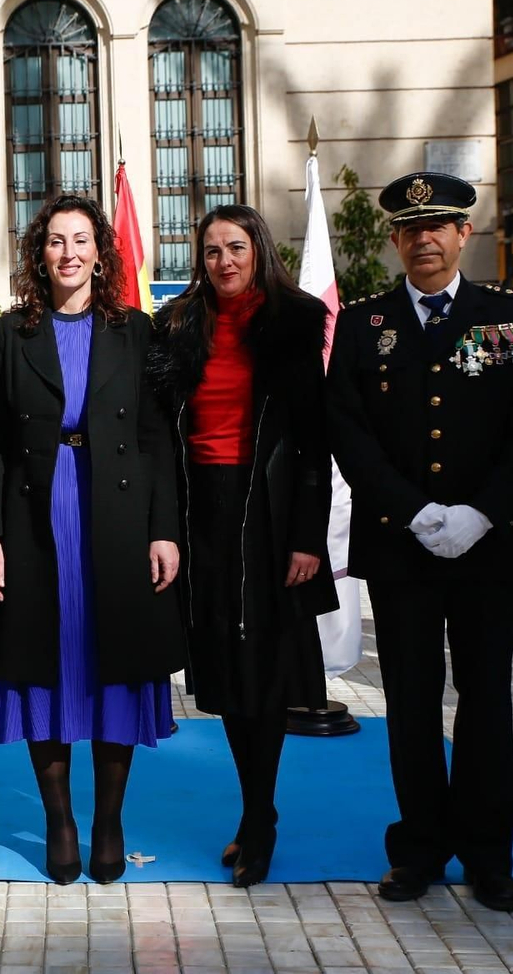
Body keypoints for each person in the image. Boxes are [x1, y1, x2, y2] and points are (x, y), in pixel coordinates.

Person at [328, 172, 513, 912]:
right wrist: (417, 511)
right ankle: (419, 848)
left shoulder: (509, 318)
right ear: (394, 240)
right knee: (413, 702)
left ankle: (490, 855)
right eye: (411, 228)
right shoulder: (364, 325)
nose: (425, 239)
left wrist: (479, 514)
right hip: (401, 544)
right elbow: (349, 432)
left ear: (464, 234)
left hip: (491, 544)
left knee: (486, 699)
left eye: (440, 226)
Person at [0, 194, 185, 886]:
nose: (68, 253)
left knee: (112, 662)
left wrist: (164, 530)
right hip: (37, 513)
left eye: (81, 240)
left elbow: (157, 439)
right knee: (44, 661)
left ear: (100, 251)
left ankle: (110, 818)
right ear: (41, 253)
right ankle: (60, 817)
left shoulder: (136, 330)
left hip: (117, 515)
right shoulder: (11, 333)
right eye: (56, 241)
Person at [146, 204, 334, 888]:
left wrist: (309, 536)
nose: (223, 261)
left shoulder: (294, 321)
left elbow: (315, 440)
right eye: (211, 251)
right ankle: (255, 811)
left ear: (258, 249)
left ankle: (260, 820)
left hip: (273, 513)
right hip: (202, 509)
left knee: (266, 671)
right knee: (225, 672)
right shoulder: (178, 325)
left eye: (235, 247)